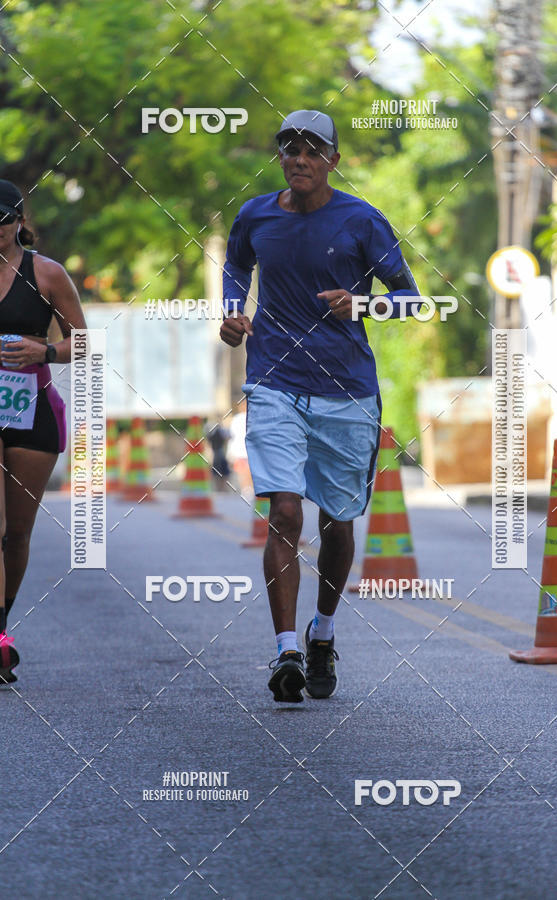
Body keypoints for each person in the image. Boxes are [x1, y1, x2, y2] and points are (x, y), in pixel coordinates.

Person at [219, 110, 420, 703]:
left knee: (337, 523)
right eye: (289, 149)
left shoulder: (362, 220)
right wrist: (233, 312)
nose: (299, 159)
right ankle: (285, 650)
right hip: (275, 383)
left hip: (347, 391)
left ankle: (322, 633)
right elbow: (236, 264)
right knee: (284, 511)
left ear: (333, 159)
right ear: (280, 156)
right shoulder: (255, 214)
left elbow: (410, 301)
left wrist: (360, 306)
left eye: (312, 150)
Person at [0, 179, 87, 683]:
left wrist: (46, 351)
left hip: (32, 409)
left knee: (16, 533)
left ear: (19, 222)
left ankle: (3, 625)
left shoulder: (47, 274)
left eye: (3, 223)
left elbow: (86, 344)